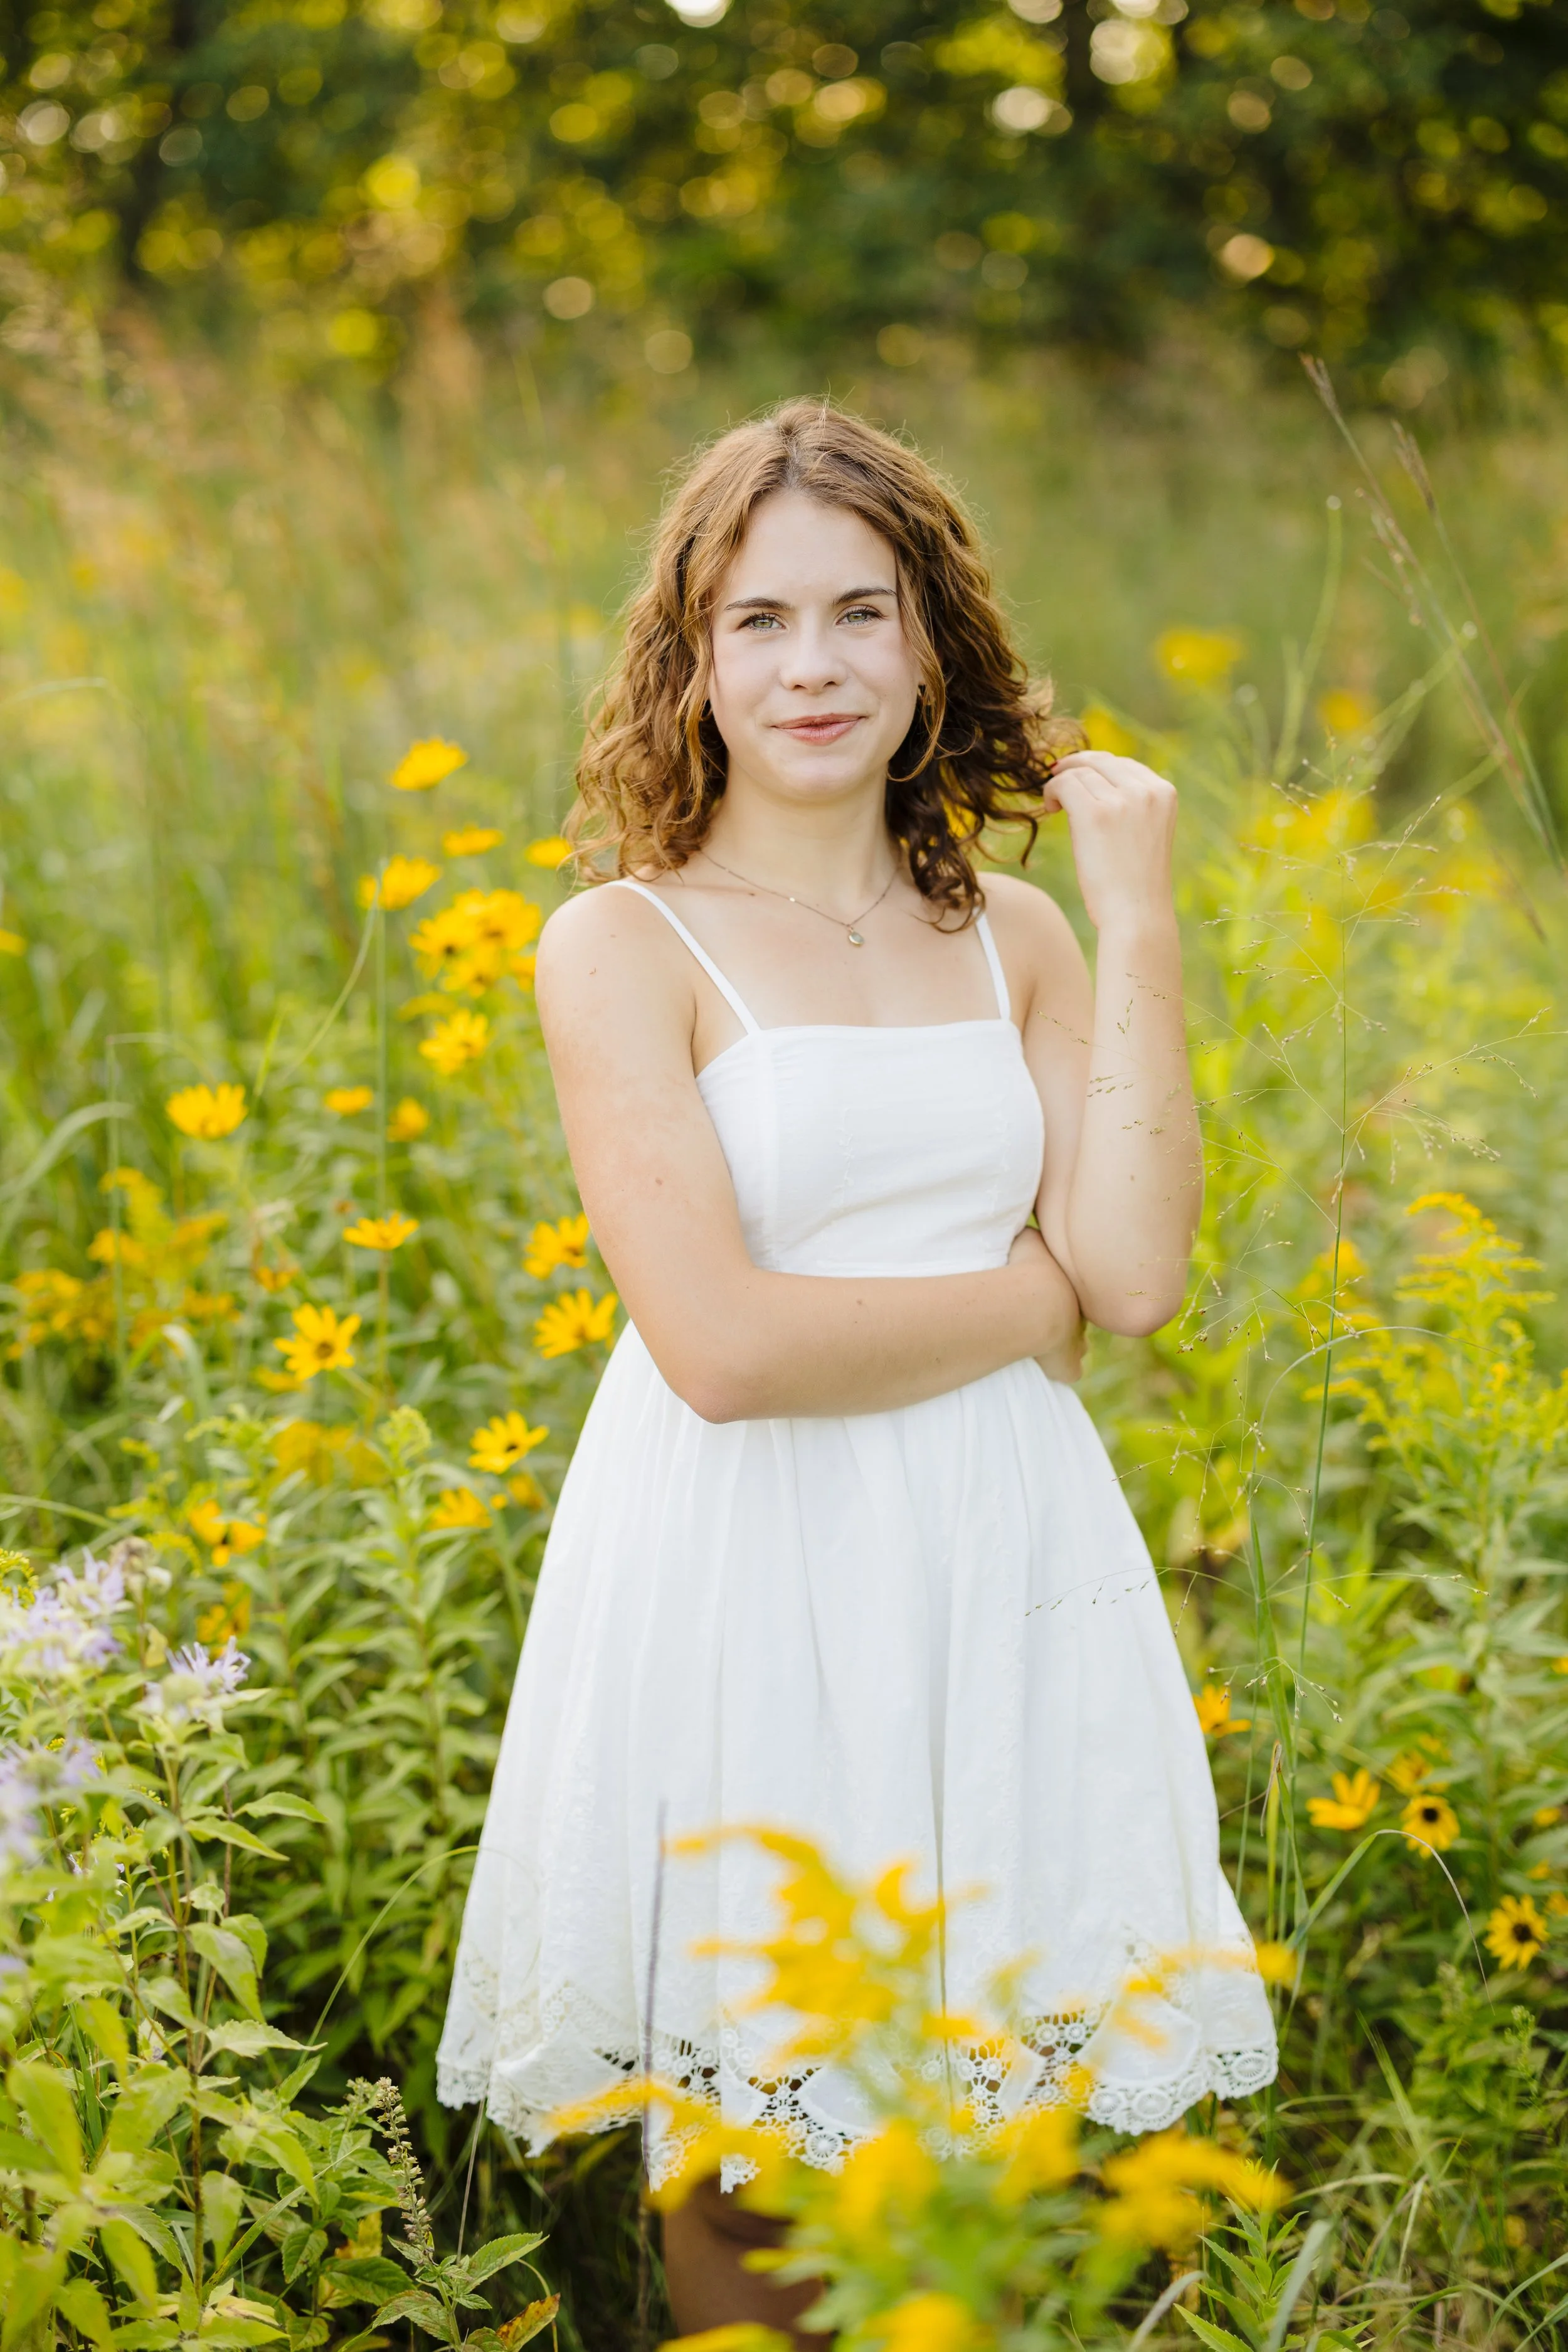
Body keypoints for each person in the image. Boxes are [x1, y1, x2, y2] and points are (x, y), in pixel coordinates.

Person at [436, 400, 1277, 2340]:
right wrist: (1020, 1302)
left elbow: (1131, 1269)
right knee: (757, 2156)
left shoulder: (1024, 936)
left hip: (996, 1558)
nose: (808, 666)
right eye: (755, 622)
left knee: (1014, 2134)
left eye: (856, 613)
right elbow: (718, 1345)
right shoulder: (619, 945)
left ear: (929, 646)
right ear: (691, 659)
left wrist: (1137, 913)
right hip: (749, 1559)